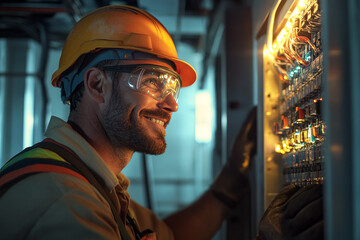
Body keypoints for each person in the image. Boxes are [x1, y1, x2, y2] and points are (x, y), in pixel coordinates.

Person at [0, 5, 323, 240]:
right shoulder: (66, 200)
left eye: (173, 87)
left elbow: (167, 236)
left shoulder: (91, 180)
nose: (171, 105)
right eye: (153, 81)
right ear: (97, 85)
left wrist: (232, 180)